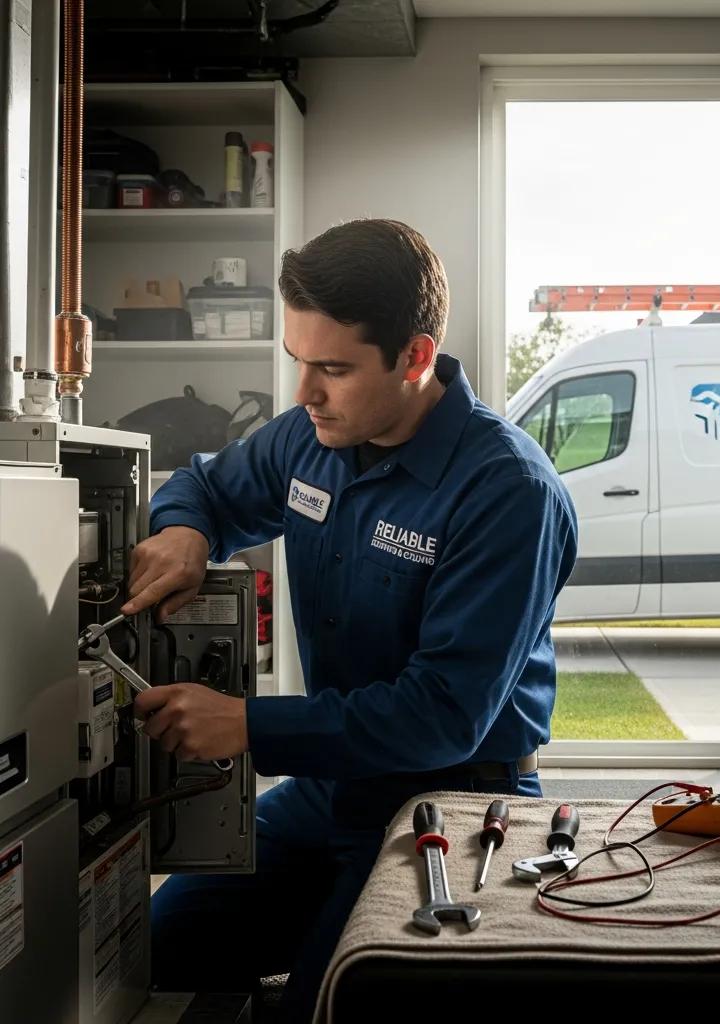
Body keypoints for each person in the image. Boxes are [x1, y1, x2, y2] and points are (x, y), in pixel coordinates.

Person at [122, 218, 578, 1020]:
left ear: (416, 357)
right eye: (300, 363)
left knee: (331, 1003)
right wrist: (187, 530)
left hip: (455, 804)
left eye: (333, 368)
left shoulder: (507, 491)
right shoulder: (312, 438)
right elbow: (206, 485)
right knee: (141, 954)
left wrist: (248, 726)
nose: (305, 394)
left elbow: (442, 715)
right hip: (328, 791)